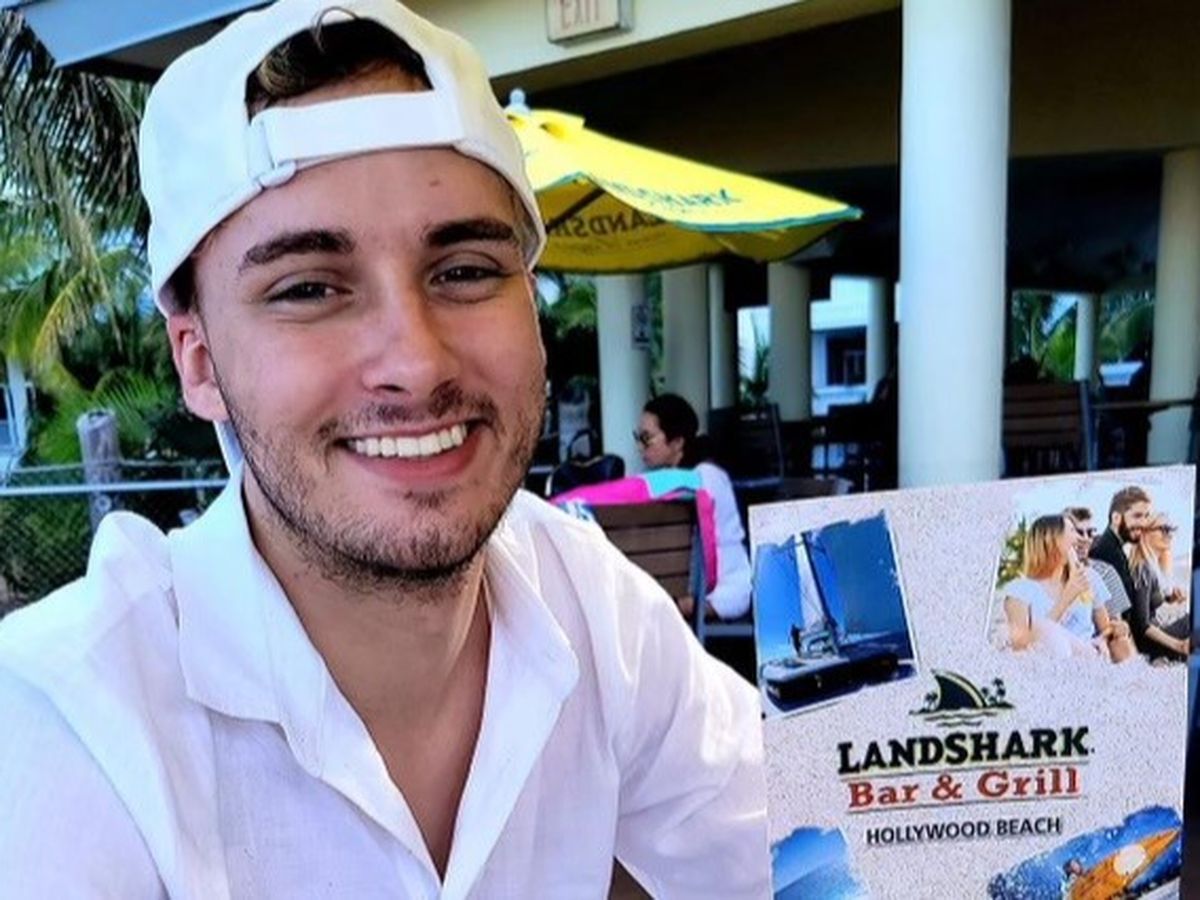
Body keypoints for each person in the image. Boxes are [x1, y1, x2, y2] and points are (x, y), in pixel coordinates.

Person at [0, 3, 769, 896]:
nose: (415, 362)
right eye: (309, 289)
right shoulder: (64, 730)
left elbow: (822, 848)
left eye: (466, 271)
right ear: (199, 364)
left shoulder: (591, 605)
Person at [636, 393, 753, 620]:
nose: (640, 447)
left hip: (722, 590)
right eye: (638, 437)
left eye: (646, 438)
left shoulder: (703, 478)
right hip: (703, 587)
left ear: (677, 442)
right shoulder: (693, 476)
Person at [1002, 515, 1134, 660]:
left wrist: (1116, 630)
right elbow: (1020, 647)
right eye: (1072, 531)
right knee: (1042, 628)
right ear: (1051, 541)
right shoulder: (1019, 590)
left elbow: (1106, 630)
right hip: (1048, 662)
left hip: (1089, 658)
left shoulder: (1089, 578)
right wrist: (1067, 597)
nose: (1079, 538)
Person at [1127, 513, 1190, 662]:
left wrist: (1170, 598)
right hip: (1148, 644)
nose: (1170, 535)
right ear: (1144, 533)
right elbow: (1141, 625)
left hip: (1152, 638)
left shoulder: (1150, 566)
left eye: (1171, 530)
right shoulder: (1142, 569)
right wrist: (1179, 645)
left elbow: (1146, 600)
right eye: (1164, 529)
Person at [1063, 506, 1133, 620]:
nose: (1085, 539)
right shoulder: (1051, 573)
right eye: (1079, 532)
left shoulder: (1105, 572)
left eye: (1090, 532)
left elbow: (1116, 621)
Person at [1089, 485, 1153, 606]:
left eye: (1146, 516)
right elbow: (1121, 610)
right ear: (1116, 518)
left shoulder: (1112, 548)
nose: (1144, 523)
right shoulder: (1109, 553)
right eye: (1137, 516)